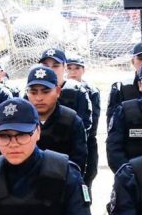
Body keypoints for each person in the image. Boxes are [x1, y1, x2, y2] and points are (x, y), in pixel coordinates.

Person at [25, 65, 87, 174]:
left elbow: (78, 164)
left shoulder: (71, 121)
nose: (39, 98)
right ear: (27, 93)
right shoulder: (20, 120)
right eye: (33, 92)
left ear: (58, 91)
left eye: (46, 92)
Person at [37, 48, 93, 148]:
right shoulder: (31, 93)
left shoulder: (77, 91)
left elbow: (83, 127)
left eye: (56, 66)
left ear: (65, 67)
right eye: (46, 66)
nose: (50, 69)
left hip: (68, 150)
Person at [65, 55, 102, 189]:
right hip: (64, 143)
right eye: (69, 68)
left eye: (77, 68)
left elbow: (92, 123)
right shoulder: (58, 90)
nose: (73, 72)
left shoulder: (91, 90)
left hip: (86, 143)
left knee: (86, 181)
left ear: (83, 70)